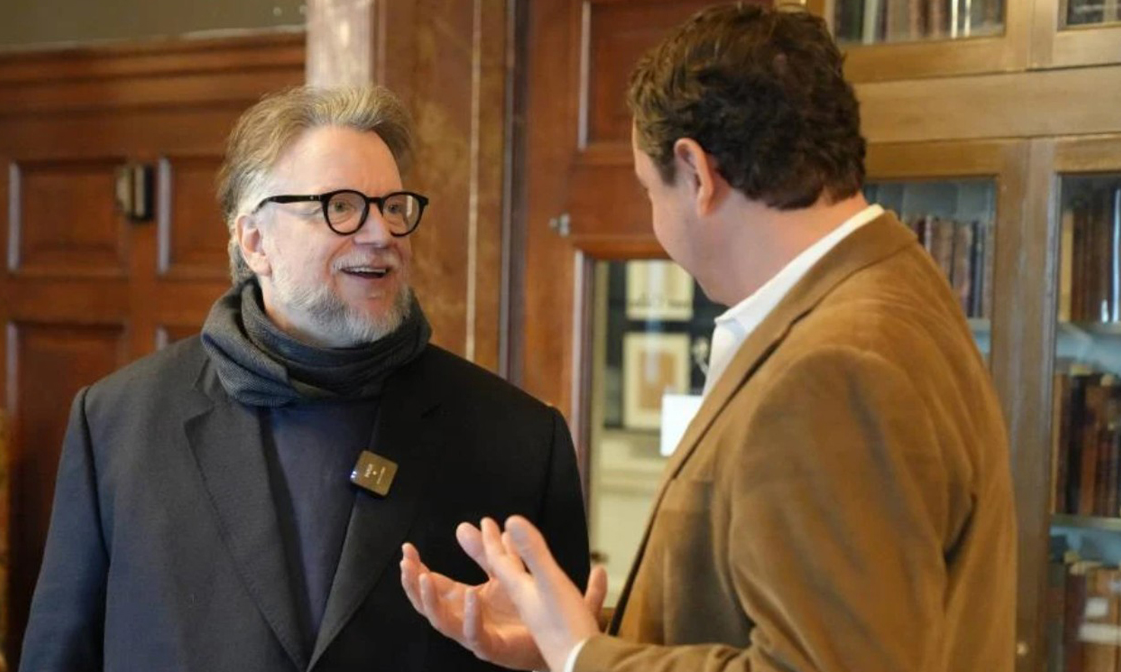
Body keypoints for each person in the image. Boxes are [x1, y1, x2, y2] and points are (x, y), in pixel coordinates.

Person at [399, 4, 1016, 672]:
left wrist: (585, 658)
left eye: (647, 189)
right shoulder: (892, 285)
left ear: (695, 172)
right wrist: (570, 642)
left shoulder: (834, 365)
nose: (656, 225)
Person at [20, 85, 590, 672]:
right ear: (255, 241)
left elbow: (571, 652)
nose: (382, 234)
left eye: (394, 207)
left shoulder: (521, 439)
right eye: (341, 207)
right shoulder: (118, 422)